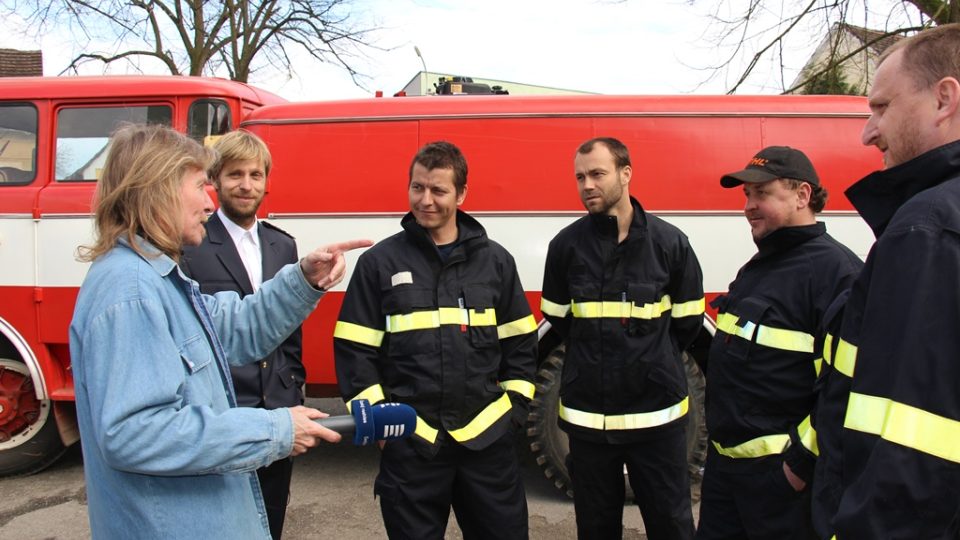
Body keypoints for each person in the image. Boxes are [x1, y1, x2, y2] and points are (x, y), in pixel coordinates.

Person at [69, 124, 371, 540]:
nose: (210, 203)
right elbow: (135, 433)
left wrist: (302, 280)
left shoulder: (154, 278)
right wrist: (275, 429)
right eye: (199, 186)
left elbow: (233, 328)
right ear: (158, 190)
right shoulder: (132, 291)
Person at [333, 141, 537, 539]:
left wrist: (512, 414)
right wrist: (379, 425)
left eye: (438, 191)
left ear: (461, 195)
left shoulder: (496, 262)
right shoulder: (380, 263)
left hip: (487, 446)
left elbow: (521, 345)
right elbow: (355, 350)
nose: (425, 200)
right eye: (417, 188)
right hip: (411, 445)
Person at [812, 23, 960, 539]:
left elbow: (911, 451)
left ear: (944, 99)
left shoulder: (927, 229)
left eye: (880, 108)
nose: (867, 131)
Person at [540, 137, 704, 540]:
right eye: (580, 177)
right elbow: (559, 318)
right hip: (588, 424)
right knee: (596, 528)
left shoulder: (670, 244)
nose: (587, 185)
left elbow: (687, 323)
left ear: (626, 173)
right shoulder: (565, 247)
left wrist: (651, 365)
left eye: (597, 174)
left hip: (658, 422)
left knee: (671, 525)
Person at [695, 147, 862, 540]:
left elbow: (847, 391)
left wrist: (798, 468)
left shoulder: (839, 275)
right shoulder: (759, 265)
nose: (749, 206)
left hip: (780, 490)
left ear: (803, 195)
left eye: (762, 194)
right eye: (746, 195)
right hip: (725, 477)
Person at [180, 130, 301, 539]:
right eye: (235, 174)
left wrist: (293, 387)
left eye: (255, 174)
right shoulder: (191, 246)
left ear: (267, 180)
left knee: (272, 519)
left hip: (277, 409)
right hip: (225, 416)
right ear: (215, 181)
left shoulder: (283, 246)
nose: (246, 185)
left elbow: (289, 331)